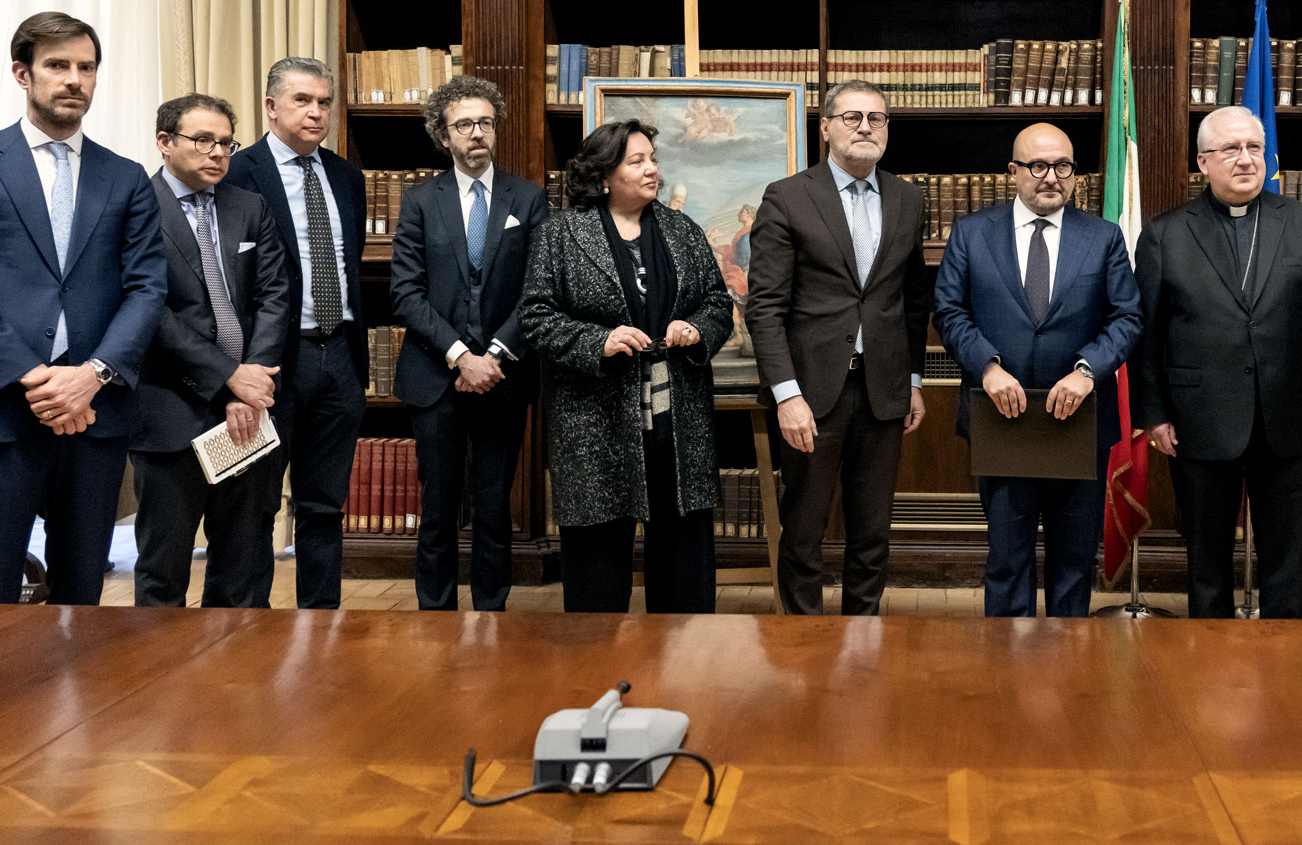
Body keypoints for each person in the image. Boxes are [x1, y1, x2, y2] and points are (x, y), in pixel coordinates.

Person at [0, 11, 167, 605]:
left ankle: (78, 701)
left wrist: (90, 376)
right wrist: (36, 380)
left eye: (86, 67)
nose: (74, 79)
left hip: (96, 410)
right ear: (22, 73)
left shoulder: (126, 177)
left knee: (83, 588)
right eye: (57, 66)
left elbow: (147, 288)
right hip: (0, 408)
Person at [1129, 106, 1302, 619]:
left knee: (1288, 562)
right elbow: (1147, 337)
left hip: (1289, 418)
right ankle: (1209, 666)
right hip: (1199, 421)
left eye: (1254, 147)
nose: (1246, 159)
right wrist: (1154, 413)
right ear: (1202, 162)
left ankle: (1286, 663)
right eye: (1231, 149)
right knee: (1207, 564)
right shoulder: (1166, 234)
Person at [520, 121, 734, 612]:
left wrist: (698, 328)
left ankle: (680, 674)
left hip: (675, 423)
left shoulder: (683, 229)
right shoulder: (562, 236)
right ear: (603, 177)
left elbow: (717, 303)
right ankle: (596, 670)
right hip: (594, 423)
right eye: (636, 161)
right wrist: (600, 340)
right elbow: (535, 316)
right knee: (597, 572)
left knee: (683, 568)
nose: (652, 169)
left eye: (652, 158)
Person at [934, 123, 1141, 617]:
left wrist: (1088, 371)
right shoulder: (971, 233)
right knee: (1008, 559)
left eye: (1063, 166)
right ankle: (1008, 673)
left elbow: (1127, 316)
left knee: (1073, 561)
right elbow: (949, 311)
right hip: (1001, 419)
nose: (1051, 177)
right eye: (1038, 166)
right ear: (1013, 172)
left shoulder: (1104, 237)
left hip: (1079, 421)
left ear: (1074, 174)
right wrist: (985, 365)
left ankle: (1070, 675)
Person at [746, 79, 931, 616]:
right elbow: (765, 308)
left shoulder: (907, 197)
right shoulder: (788, 197)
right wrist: (785, 395)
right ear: (824, 127)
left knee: (872, 530)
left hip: (884, 391)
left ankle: (862, 637)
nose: (865, 127)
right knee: (803, 529)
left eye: (876, 118)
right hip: (810, 393)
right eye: (852, 117)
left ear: (888, 130)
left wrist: (915, 381)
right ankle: (803, 645)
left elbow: (913, 302)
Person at [390, 76, 547, 611]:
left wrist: (495, 355)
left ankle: (491, 611)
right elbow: (406, 294)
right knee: (437, 503)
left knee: (494, 503)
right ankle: (434, 613)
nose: (477, 133)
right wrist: (461, 355)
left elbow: (538, 291)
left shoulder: (528, 198)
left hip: (504, 377)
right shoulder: (418, 201)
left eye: (485, 123)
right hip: (435, 375)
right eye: (464, 125)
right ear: (443, 135)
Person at [131, 95, 291, 608]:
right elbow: (149, 311)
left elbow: (274, 297)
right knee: (164, 570)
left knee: (242, 566)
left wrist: (254, 383)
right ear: (165, 142)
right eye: (203, 141)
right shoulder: (135, 209)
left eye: (226, 142)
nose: (218, 152)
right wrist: (229, 377)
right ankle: (157, 683)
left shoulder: (249, 206)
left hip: (249, 412)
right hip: (172, 410)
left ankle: (238, 681)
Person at [223, 57, 368, 609]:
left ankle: (320, 618)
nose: (315, 112)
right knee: (255, 501)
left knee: (325, 501)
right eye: (303, 100)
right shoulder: (237, 173)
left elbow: (350, 263)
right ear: (270, 107)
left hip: (340, 357)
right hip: (271, 364)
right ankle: (250, 622)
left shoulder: (345, 175)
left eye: (324, 102)